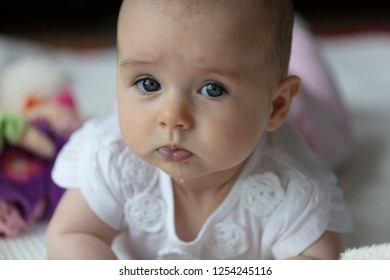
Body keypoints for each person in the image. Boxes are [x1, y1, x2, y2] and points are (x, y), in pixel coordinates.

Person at [47, 0, 353, 259]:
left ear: (275, 107)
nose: (172, 117)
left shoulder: (294, 187)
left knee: (325, 112)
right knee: (139, 110)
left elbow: (315, 261)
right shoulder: (112, 158)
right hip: (145, 121)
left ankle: (298, 38)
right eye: (148, 82)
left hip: (304, 119)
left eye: (213, 89)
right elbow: (72, 234)